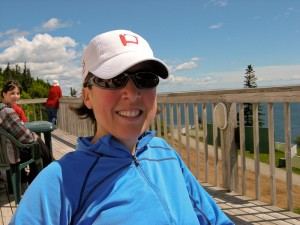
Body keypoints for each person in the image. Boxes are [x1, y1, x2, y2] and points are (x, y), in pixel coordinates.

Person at [10, 30, 234, 224]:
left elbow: (215, 219)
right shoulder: (59, 182)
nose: (132, 92)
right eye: (113, 79)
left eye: (145, 79)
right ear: (87, 97)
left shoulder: (166, 154)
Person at [0, 81, 53, 183]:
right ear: (4, 94)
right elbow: (26, 137)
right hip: (11, 154)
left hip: (5, 153)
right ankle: (52, 171)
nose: (16, 96)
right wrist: (35, 136)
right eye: (12, 93)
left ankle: (48, 170)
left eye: (18, 93)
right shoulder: (6, 111)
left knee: (36, 144)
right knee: (36, 143)